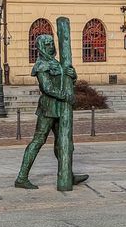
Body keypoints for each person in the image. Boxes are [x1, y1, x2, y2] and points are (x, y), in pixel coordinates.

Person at [15, 32, 88, 191]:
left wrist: (73, 76)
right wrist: (66, 96)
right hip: (48, 108)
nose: (51, 46)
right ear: (40, 47)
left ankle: (67, 173)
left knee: (63, 143)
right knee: (38, 141)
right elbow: (46, 87)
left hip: (60, 108)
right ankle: (22, 177)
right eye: (46, 44)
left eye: (51, 43)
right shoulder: (41, 65)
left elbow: (64, 81)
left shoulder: (56, 62)